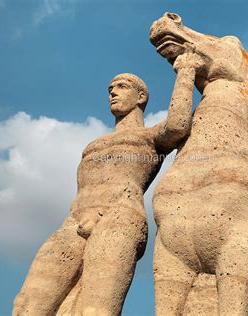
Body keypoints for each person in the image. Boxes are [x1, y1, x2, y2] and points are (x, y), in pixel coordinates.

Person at [13, 52, 204, 316]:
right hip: (73, 220)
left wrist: (185, 72)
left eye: (121, 86)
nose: (113, 92)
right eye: (110, 88)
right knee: (27, 305)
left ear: (141, 97)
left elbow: (178, 125)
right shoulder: (92, 146)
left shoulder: (149, 137)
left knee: (96, 309)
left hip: (119, 217)